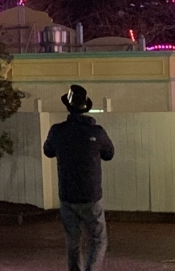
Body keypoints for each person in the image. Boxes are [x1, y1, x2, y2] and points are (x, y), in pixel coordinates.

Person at [43, 85, 115, 271]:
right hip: (91, 195)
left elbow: (48, 151)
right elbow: (109, 154)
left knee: (72, 242)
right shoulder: (96, 132)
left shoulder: (58, 131)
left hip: (67, 195)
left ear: (68, 107)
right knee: (98, 239)